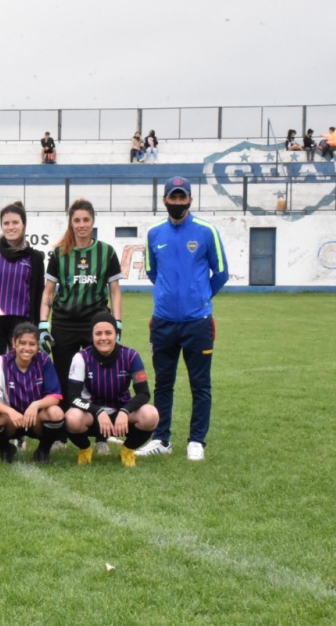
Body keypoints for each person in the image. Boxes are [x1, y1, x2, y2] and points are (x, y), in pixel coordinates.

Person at [136, 176, 228, 461]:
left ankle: (196, 441)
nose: (177, 202)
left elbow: (221, 272)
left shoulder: (206, 231)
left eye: (182, 197)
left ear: (190, 199)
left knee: (200, 384)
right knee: (163, 382)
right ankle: (162, 438)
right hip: (163, 322)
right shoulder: (153, 234)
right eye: (172, 198)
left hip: (198, 323)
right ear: (164, 200)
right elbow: (153, 273)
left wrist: (199, 299)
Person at [39, 199, 123, 453]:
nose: (82, 225)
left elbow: (115, 292)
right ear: (71, 222)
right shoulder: (59, 253)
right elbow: (49, 292)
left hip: (95, 323)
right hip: (64, 323)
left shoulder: (107, 252)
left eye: (86, 219)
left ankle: (100, 437)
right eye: (77, 220)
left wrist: (116, 323)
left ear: (93, 221)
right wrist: (44, 323)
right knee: (64, 378)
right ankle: (62, 435)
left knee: (98, 380)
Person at [64, 313, 158, 467]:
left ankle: (127, 450)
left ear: (116, 334)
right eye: (98, 333)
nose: (103, 338)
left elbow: (144, 393)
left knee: (151, 415)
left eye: (108, 333)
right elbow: (73, 397)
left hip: (121, 414)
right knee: (71, 418)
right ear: (92, 335)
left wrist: (125, 411)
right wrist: (98, 411)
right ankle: (85, 449)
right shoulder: (81, 357)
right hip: (92, 415)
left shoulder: (131, 356)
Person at [0, 201, 45, 377]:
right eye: (6, 223)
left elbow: (38, 296)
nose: (10, 227)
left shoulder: (34, 257)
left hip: (22, 323)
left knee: (20, 376)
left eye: (15, 222)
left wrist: (36, 329)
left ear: (23, 225)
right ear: (1, 225)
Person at [0, 322, 64, 463]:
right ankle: (6, 449)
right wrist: (10, 411)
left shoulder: (43, 361)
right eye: (22, 343)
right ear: (14, 343)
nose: (27, 348)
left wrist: (36, 405)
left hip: (35, 419)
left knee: (56, 413)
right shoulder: (1, 362)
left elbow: (55, 396)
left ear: (37, 345)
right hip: (11, 421)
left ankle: (43, 450)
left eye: (32, 344)